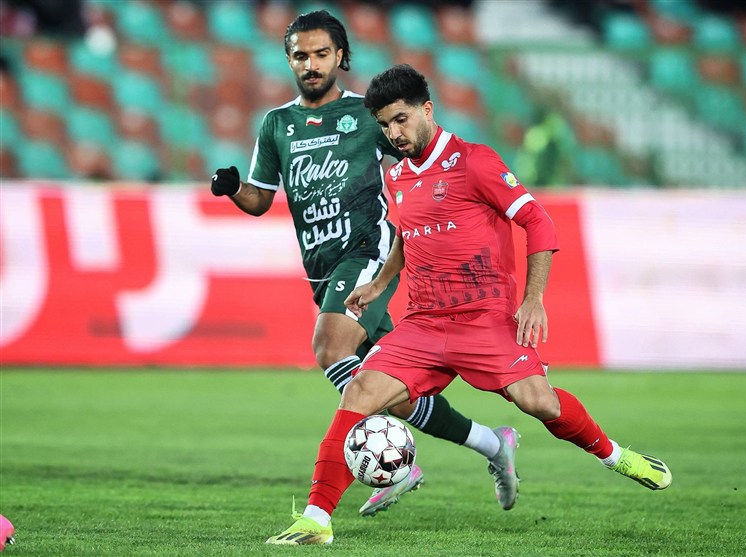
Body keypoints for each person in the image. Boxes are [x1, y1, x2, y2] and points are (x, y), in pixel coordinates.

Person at [265, 64, 673, 545]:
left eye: (401, 119)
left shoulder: (475, 161)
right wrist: (380, 283)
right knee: (358, 392)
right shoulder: (397, 176)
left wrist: (533, 299)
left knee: (539, 403)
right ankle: (317, 519)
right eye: (385, 124)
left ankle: (616, 456)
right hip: (423, 323)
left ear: (427, 109)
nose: (394, 133)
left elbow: (539, 222)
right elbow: (409, 234)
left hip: (484, 320)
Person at [209, 11, 520, 518]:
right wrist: (232, 188)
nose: (310, 64)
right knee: (395, 394)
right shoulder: (277, 125)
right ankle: (493, 443)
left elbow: (423, 156)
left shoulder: (366, 115)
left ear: (340, 56)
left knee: (329, 346)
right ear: (288, 60)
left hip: (367, 252)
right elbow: (261, 199)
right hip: (321, 269)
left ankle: (389, 465)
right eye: (300, 55)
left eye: (321, 54)